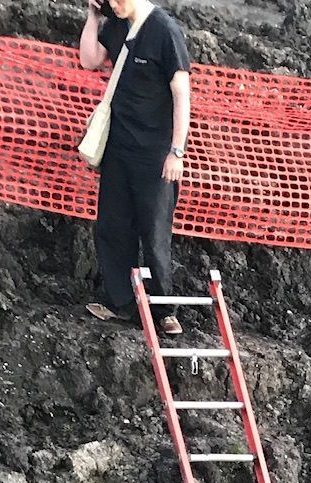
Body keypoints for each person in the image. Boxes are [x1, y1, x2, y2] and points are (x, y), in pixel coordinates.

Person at [78, 0, 191, 332]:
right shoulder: (115, 24)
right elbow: (89, 60)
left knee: (154, 231)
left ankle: (163, 310)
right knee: (112, 227)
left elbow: (181, 94)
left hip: (154, 154)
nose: (114, 4)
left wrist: (177, 151)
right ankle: (121, 303)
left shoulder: (165, 32)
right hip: (118, 148)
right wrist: (93, 16)